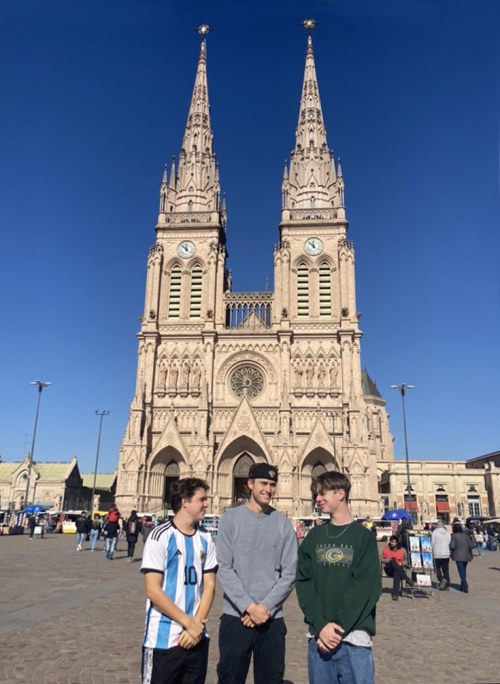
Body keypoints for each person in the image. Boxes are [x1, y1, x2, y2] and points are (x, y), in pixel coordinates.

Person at [296, 470, 381, 684]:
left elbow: (365, 589)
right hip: (319, 640)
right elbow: (304, 582)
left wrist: (335, 629)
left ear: (340, 494)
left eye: (322, 493)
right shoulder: (313, 537)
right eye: (316, 494)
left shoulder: (363, 538)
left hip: (354, 641)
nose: (317, 499)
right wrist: (321, 624)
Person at [216, 463, 297, 684]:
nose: (268, 489)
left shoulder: (283, 524)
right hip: (236, 617)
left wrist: (265, 608)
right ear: (249, 484)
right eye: (263, 483)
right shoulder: (229, 521)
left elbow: (290, 573)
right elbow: (224, 567)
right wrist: (249, 607)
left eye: (272, 485)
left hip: (271, 620)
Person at [141, 477, 217, 684]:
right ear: (184, 502)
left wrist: (197, 626)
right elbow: (153, 591)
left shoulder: (206, 538)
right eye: (202, 499)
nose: (206, 504)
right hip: (163, 640)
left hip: (197, 637)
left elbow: (210, 585)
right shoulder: (159, 537)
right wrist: (188, 624)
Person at [381, 535, 414, 600]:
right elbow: (381, 559)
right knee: (392, 561)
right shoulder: (385, 549)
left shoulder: (402, 550)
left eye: (393, 542)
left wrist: (402, 563)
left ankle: (395, 594)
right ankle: (406, 578)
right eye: (391, 541)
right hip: (389, 569)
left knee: (397, 573)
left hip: (399, 568)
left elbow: (406, 560)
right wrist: (388, 560)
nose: (391, 543)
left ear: (397, 543)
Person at [450, 522, 475, 593]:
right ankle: (462, 585)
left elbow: (452, 546)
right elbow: (471, 546)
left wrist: (451, 554)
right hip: (466, 555)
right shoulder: (465, 536)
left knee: (461, 571)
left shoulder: (453, 536)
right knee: (463, 570)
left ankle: (465, 584)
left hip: (458, 556)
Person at [431, 520, 451, 590]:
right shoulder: (447, 533)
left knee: (436, 569)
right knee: (445, 570)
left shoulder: (434, 533)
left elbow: (432, 543)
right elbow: (449, 542)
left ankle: (442, 579)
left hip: (437, 553)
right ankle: (447, 585)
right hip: (446, 553)